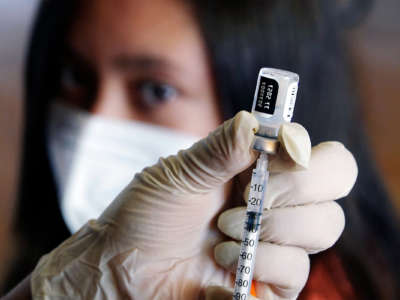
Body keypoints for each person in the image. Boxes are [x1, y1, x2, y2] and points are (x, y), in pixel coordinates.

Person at [2, 0, 400, 299]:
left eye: (156, 90)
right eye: (74, 76)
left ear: (242, 103)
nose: (95, 120)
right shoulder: (50, 270)